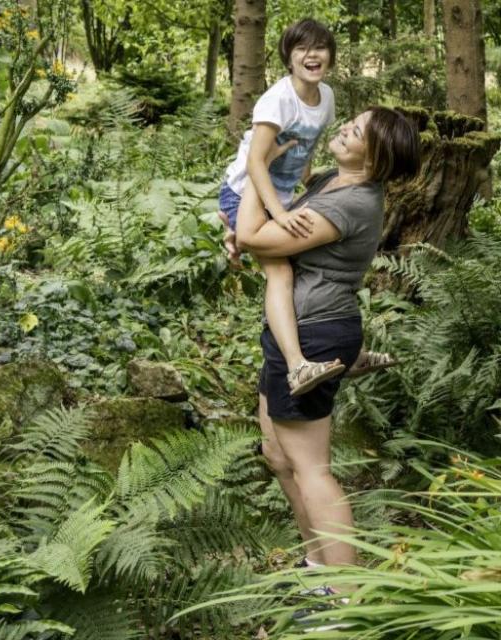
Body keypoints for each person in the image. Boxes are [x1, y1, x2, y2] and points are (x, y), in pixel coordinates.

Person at [234, 107, 420, 586]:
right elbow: (267, 234)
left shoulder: (352, 203)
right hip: (294, 328)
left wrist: (257, 168)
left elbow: (258, 235)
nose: (344, 129)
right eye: (351, 121)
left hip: (315, 329)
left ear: (375, 160)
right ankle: (316, 566)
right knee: (278, 456)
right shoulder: (328, 184)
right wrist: (244, 234)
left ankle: (348, 597)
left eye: (356, 131)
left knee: (311, 467)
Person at [219, 18, 345, 397]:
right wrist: (280, 214)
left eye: (320, 47)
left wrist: (307, 187)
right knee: (281, 274)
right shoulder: (278, 99)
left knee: (310, 260)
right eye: (302, 48)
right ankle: (296, 367)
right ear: (289, 58)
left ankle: (340, 352)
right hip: (245, 192)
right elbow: (258, 162)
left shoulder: (326, 99)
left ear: (330, 57)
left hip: (281, 196)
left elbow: (306, 149)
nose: (312, 55)